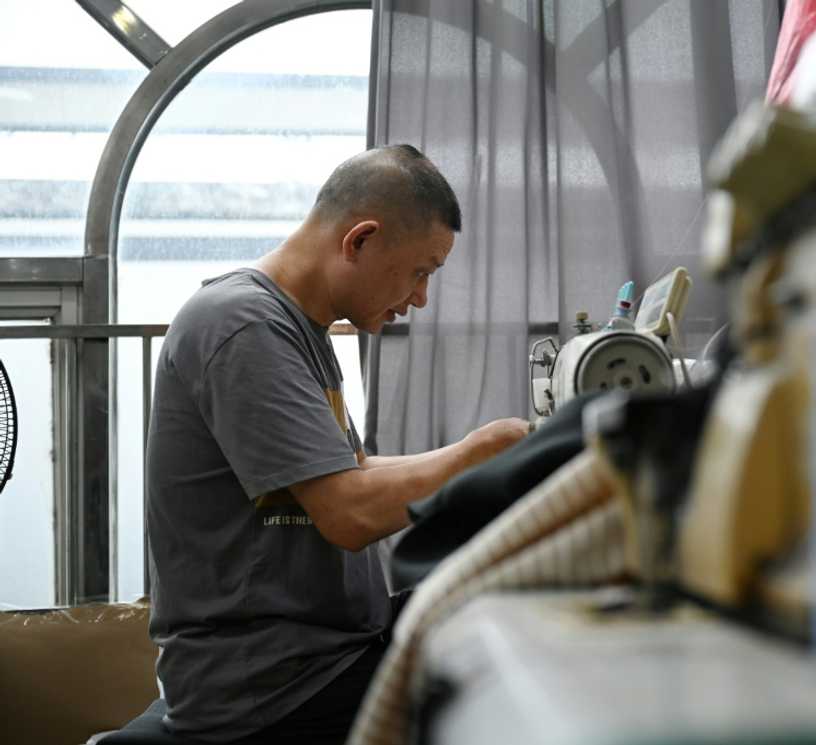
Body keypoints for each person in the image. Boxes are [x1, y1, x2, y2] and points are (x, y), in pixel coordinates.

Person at [144, 144, 529, 743]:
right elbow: (348, 512)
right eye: (422, 271)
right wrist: (480, 452)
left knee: (501, 607)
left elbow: (347, 469)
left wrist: (496, 454)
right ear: (360, 240)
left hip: (327, 651)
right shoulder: (243, 325)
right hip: (274, 687)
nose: (421, 298)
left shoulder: (296, 327)